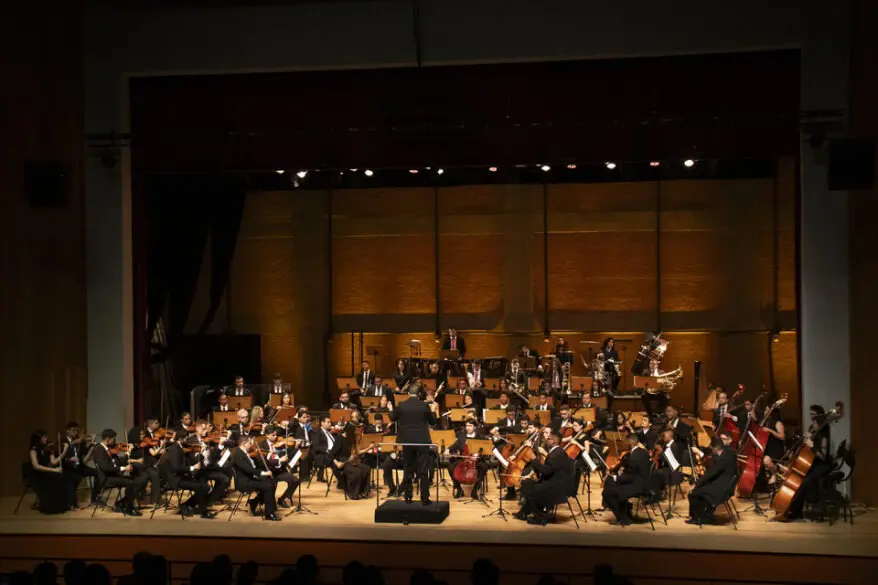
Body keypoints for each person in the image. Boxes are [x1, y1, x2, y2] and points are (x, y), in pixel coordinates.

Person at [390, 383, 438, 504]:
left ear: (408, 394)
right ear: (419, 394)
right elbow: (432, 422)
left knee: (408, 469)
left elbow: (392, 418)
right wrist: (432, 411)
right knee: (423, 470)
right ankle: (424, 498)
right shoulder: (424, 405)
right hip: (422, 442)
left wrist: (391, 409)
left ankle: (408, 496)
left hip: (407, 442)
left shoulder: (402, 405)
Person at [785, 404, 833, 520]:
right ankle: (796, 510)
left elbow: (823, 457)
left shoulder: (824, 436)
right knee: (801, 481)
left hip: (822, 465)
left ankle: (797, 509)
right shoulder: (814, 430)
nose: (813, 425)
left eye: (816, 423)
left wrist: (812, 447)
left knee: (804, 482)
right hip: (814, 462)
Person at [515, 430, 572, 523]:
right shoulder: (557, 452)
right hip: (554, 482)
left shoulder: (556, 454)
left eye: (549, 439)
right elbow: (547, 470)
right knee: (526, 483)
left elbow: (546, 471)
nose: (546, 440)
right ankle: (524, 512)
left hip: (556, 486)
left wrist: (533, 459)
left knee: (530, 489)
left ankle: (540, 517)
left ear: (554, 441)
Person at [92, 429, 149, 516]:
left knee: (138, 481)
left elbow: (118, 463)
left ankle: (122, 503)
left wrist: (127, 454)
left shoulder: (108, 449)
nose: (115, 441)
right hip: (106, 478)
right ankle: (129, 507)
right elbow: (105, 468)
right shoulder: (99, 450)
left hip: (113, 476)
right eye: (113, 439)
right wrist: (123, 468)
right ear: (108, 439)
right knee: (131, 483)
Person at [601, 433, 650, 525]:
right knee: (612, 484)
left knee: (607, 493)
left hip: (636, 485)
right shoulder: (643, 452)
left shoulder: (633, 457)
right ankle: (627, 512)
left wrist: (616, 477)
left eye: (626, 441)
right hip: (644, 483)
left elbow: (630, 477)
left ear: (630, 443)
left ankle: (624, 518)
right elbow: (633, 471)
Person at [164, 434, 216, 518]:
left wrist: (201, 454)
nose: (187, 441)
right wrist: (193, 467)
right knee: (201, 486)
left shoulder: (182, 448)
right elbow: (177, 468)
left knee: (205, 486)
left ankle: (186, 505)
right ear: (180, 439)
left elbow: (190, 461)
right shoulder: (175, 450)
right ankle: (203, 512)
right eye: (185, 438)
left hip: (183, 477)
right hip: (176, 479)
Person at [687, 437, 736, 524]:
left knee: (692, 493)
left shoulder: (722, 460)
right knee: (703, 486)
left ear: (715, 449)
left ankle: (697, 518)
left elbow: (711, 474)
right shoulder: (730, 452)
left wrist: (696, 484)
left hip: (721, 490)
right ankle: (706, 514)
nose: (712, 452)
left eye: (712, 449)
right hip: (726, 486)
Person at [232, 435, 280, 521]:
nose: (251, 445)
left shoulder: (245, 453)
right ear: (244, 444)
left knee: (272, 482)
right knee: (268, 486)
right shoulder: (238, 455)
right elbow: (248, 469)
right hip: (244, 482)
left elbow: (254, 467)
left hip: (251, 478)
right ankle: (269, 513)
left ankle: (254, 502)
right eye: (250, 443)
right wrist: (263, 473)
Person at [27, 431, 70, 513]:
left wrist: (64, 451)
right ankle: (51, 507)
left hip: (46, 473)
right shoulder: (33, 450)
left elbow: (54, 462)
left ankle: (60, 505)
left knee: (63, 477)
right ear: (38, 439)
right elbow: (36, 466)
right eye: (44, 438)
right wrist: (54, 470)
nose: (46, 439)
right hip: (37, 475)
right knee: (56, 477)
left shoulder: (48, 449)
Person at [258, 426, 300, 508]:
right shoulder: (262, 445)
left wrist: (296, 447)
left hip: (280, 470)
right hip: (269, 472)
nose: (275, 437)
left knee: (295, 480)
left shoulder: (281, 444)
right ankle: (258, 501)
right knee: (271, 486)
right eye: (273, 435)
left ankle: (282, 499)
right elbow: (262, 463)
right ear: (267, 435)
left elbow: (290, 456)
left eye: (276, 435)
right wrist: (279, 460)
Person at [60, 422, 99, 504]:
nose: (76, 433)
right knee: (74, 478)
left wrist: (92, 444)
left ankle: (95, 498)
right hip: (68, 468)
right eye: (73, 430)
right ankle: (71, 501)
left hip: (80, 467)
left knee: (97, 473)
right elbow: (63, 454)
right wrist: (79, 440)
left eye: (77, 431)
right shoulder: (62, 441)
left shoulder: (80, 442)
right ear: (67, 431)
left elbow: (86, 452)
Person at [448, 420, 487, 499]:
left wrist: (479, 455)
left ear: (475, 427)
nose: (468, 428)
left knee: (483, 467)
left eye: (470, 426)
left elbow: (485, 451)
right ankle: (459, 489)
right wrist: (448, 450)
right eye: (467, 426)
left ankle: (476, 488)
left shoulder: (480, 437)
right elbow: (454, 446)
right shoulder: (462, 436)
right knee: (450, 467)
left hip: (476, 460)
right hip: (464, 459)